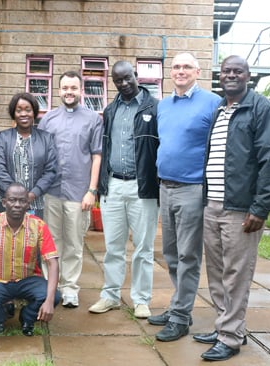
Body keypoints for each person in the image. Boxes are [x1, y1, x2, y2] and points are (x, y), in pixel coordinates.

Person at [196, 55, 270, 361]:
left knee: (236, 274)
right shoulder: (220, 110)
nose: (231, 75)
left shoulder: (262, 109)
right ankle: (226, 327)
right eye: (226, 71)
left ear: (249, 76)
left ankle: (230, 338)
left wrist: (260, 208)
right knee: (217, 272)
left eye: (238, 71)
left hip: (240, 208)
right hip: (213, 205)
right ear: (219, 76)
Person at [148, 53, 221, 342]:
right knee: (170, 254)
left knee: (188, 255)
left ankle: (180, 317)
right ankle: (181, 305)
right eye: (176, 67)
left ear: (198, 71)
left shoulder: (212, 103)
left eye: (186, 66)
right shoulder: (163, 105)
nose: (180, 71)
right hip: (165, 187)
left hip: (193, 188)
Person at [88, 61, 159, 319]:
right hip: (114, 185)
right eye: (118, 81)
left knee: (143, 247)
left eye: (127, 78)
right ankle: (110, 295)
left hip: (143, 186)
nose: (124, 84)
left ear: (136, 75)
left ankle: (141, 300)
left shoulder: (154, 108)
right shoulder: (110, 110)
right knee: (113, 246)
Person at [38, 71, 103, 309]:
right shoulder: (48, 119)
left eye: (73, 88)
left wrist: (91, 191)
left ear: (81, 90)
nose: (69, 92)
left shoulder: (93, 119)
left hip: (78, 191)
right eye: (65, 88)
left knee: (74, 243)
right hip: (52, 191)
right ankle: (50, 286)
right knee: (52, 242)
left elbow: (97, 156)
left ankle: (70, 288)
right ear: (59, 90)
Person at [0, 183, 60, 336]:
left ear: (28, 204)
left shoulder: (38, 226)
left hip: (28, 279)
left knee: (53, 296)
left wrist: (49, 301)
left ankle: (27, 318)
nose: (17, 205)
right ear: (4, 202)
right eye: (12, 200)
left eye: (22, 201)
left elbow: (53, 262)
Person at [0, 92, 58, 218]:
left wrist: (33, 194)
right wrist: (16, 196)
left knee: (32, 237)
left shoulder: (46, 138)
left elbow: (50, 171)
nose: (23, 114)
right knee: (4, 237)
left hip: (36, 204)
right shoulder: (2, 138)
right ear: (13, 114)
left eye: (28, 110)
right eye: (19, 110)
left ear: (34, 112)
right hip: (5, 203)